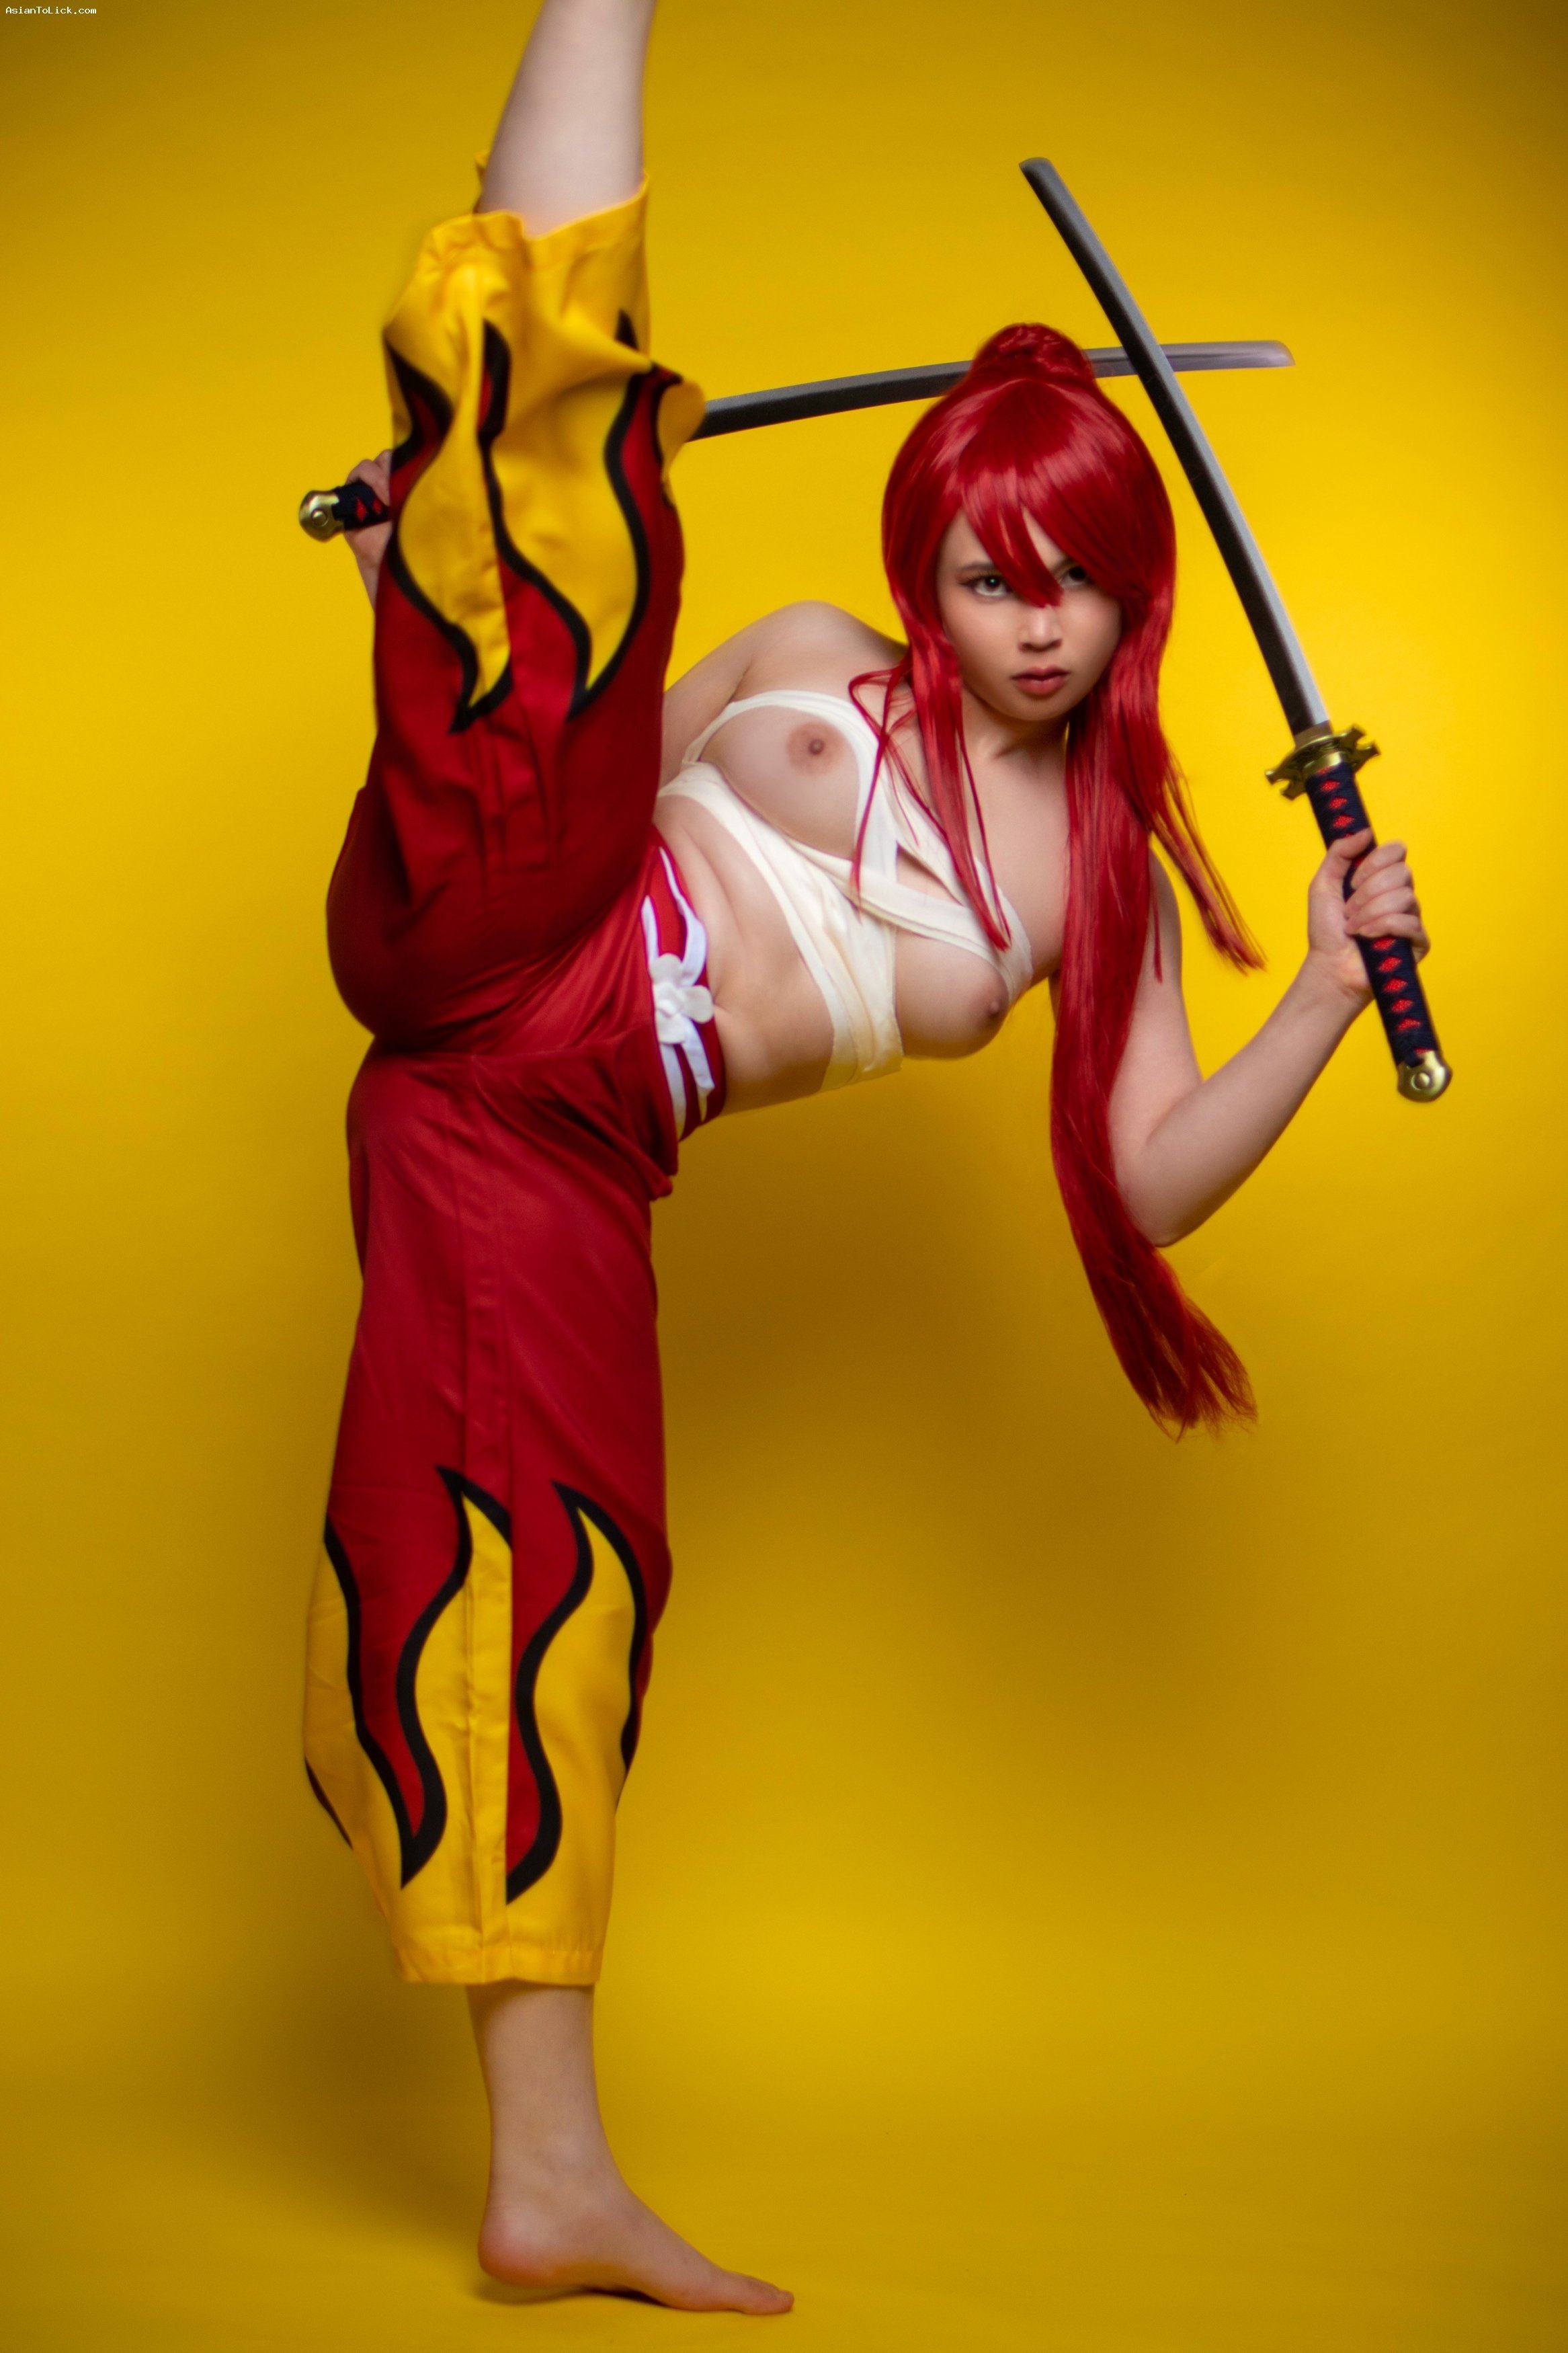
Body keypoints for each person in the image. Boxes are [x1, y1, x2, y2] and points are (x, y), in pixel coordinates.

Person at [309, 0, 1428, 2314]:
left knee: (552, 1599)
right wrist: (432, 576)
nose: (1032, 624)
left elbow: (1144, 1181)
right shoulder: (818, 654)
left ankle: (549, 2185)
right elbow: (556, 721)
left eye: (1073, 580)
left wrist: (1326, 987)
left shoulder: (1103, 874)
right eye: (993, 574)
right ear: (931, 564)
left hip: (556, 1148)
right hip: (519, 936)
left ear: (1133, 595)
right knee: (558, 547)